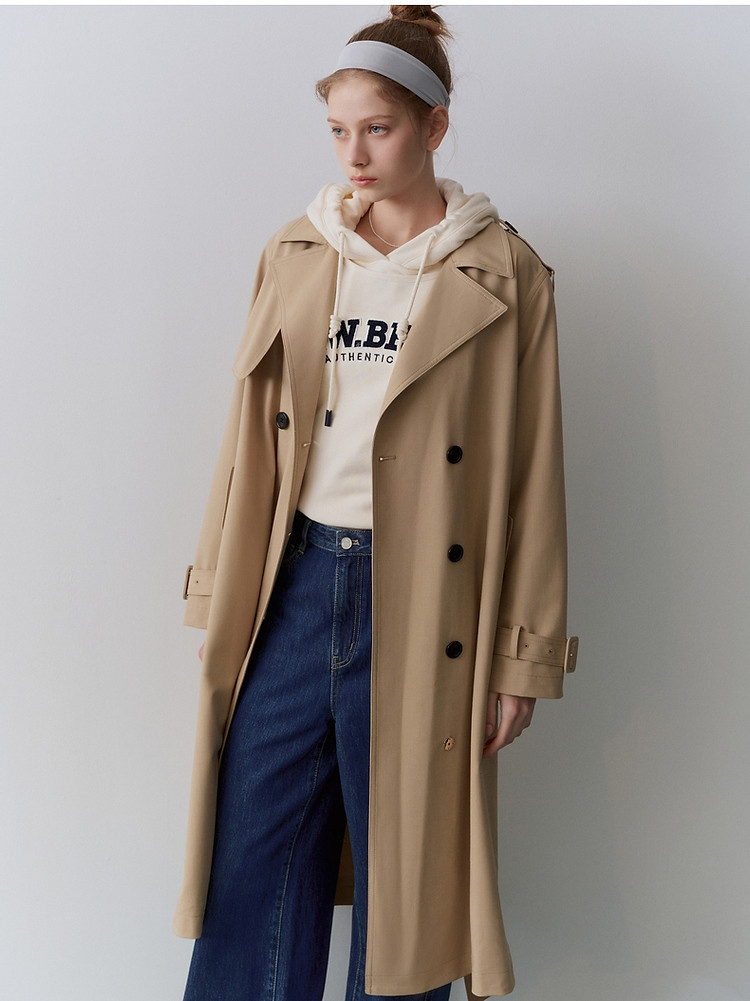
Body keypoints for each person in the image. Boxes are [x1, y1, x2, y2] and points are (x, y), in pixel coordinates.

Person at [175, 6, 578, 1000]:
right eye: (338, 130)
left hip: (426, 603)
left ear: (436, 126)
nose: (353, 154)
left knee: (407, 881)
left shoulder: (507, 273)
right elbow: (245, 437)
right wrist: (221, 591)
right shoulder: (297, 253)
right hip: (295, 581)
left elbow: (534, 474)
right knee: (251, 858)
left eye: (379, 129)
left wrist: (520, 658)